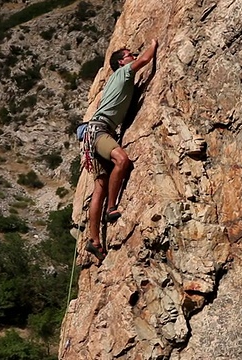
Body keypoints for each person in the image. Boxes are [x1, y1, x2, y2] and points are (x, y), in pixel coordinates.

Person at [81, 39, 158, 261]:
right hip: (99, 131)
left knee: (99, 187)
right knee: (122, 160)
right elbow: (145, 58)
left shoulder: (118, 78)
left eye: (131, 54)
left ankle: (94, 240)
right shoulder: (123, 72)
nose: (133, 55)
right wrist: (153, 42)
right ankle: (111, 207)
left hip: (94, 133)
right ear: (121, 62)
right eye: (128, 54)